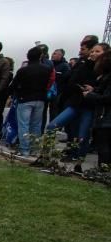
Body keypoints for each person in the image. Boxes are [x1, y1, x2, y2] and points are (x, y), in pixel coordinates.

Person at [47, 36, 100, 166]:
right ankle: (50, 152)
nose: (92, 53)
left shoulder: (102, 68)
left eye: (95, 51)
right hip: (74, 102)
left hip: (89, 104)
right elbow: (71, 80)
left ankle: (78, 160)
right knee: (53, 126)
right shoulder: (82, 63)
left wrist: (92, 88)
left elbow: (100, 85)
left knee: (82, 134)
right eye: (92, 51)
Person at [8, 47, 49, 156]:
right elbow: (48, 84)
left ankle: (24, 149)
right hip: (40, 98)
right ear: (40, 56)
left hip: (25, 99)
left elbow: (14, 85)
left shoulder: (23, 70)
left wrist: (15, 93)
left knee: (24, 125)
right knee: (36, 125)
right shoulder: (46, 69)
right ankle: (35, 150)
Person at [84, 45, 111, 169]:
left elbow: (107, 98)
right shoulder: (105, 76)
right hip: (104, 115)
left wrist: (90, 95)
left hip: (106, 116)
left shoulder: (108, 77)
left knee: (104, 145)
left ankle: (104, 170)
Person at [44, 48, 71, 126]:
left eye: (56, 53)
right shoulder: (49, 64)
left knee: (54, 111)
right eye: (53, 53)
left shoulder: (65, 66)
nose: (53, 55)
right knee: (43, 111)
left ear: (61, 55)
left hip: (58, 93)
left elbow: (66, 80)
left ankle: (52, 131)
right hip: (47, 91)